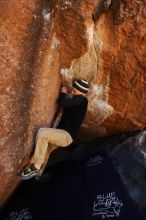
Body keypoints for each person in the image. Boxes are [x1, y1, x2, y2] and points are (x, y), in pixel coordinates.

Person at [20, 79, 90, 180]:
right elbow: (67, 104)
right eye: (73, 89)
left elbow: (62, 103)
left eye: (75, 90)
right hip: (62, 133)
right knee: (46, 150)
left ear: (82, 92)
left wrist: (63, 93)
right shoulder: (77, 101)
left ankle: (36, 166)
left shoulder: (82, 99)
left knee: (42, 133)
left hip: (66, 135)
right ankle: (38, 175)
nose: (73, 91)